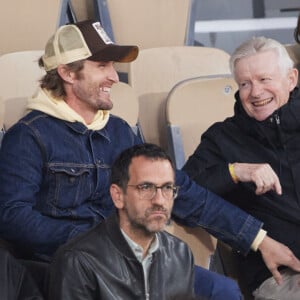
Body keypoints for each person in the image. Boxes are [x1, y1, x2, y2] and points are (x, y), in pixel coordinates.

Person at [0, 20, 298, 298]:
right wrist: (95, 240)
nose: (114, 77)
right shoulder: (28, 136)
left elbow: (182, 191)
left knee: (222, 292)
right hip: (71, 267)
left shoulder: (120, 131)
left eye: (113, 66)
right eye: (102, 66)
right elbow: (13, 217)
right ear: (67, 73)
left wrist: (259, 240)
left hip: (132, 259)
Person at [183, 36, 300, 299]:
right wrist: (235, 172)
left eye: (264, 79)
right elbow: (178, 194)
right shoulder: (223, 139)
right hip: (280, 275)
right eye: (245, 84)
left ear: (291, 79)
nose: (255, 93)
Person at [48, 143, 196, 300]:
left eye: (167, 187)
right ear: (118, 196)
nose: (159, 200)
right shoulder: (78, 261)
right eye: (146, 187)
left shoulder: (181, 253)